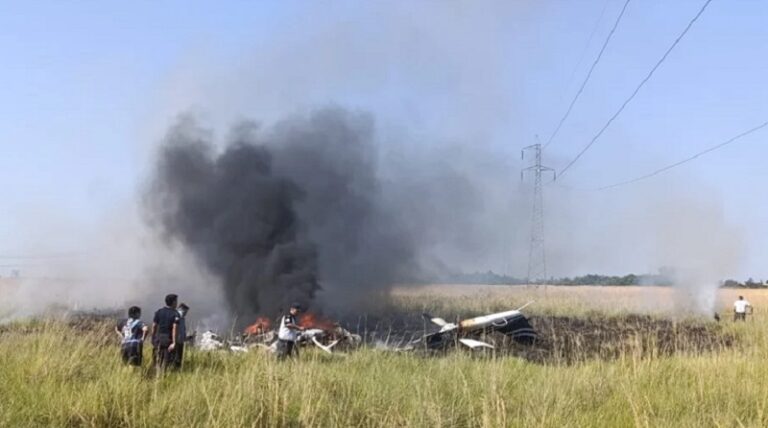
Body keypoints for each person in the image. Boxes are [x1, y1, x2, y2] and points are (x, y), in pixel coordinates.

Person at [152, 293, 180, 370]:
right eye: (176, 301)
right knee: (167, 361)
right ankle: (163, 378)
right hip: (168, 339)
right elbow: (175, 328)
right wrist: (174, 342)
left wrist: (153, 337)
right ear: (173, 302)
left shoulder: (159, 312)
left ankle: (157, 377)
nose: (177, 303)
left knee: (157, 360)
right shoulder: (175, 314)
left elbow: (154, 325)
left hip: (158, 338)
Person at [173, 303, 190, 369]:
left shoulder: (182, 319)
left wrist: (187, 338)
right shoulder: (176, 317)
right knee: (175, 360)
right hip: (175, 342)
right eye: (185, 312)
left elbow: (182, 331)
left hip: (180, 342)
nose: (186, 313)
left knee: (178, 360)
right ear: (181, 309)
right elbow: (174, 329)